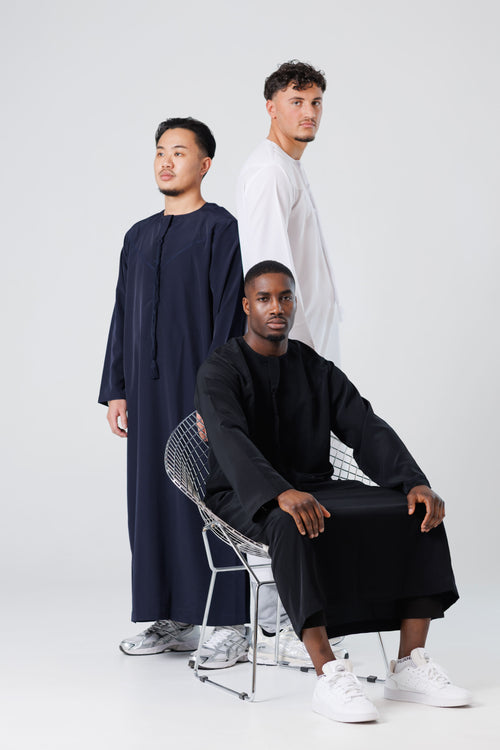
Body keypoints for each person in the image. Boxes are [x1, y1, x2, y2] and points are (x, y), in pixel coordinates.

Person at [194, 261, 470, 723]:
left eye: (285, 297)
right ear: (246, 306)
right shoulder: (220, 369)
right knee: (289, 522)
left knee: (413, 512)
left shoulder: (314, 367)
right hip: (241, 494)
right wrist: (278, 492)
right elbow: (228, 437)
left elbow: (364, 425)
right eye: (264, 298)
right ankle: (328, 674)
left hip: (316, 485)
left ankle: (409, 666)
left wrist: (413, 481)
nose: (276, 307)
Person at [99, 117, 249, 668]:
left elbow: (230, 317)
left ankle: (231, 623)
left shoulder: (220, 229)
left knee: (211, 501)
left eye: (179, 152)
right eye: (160, 151)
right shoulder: (138, 236)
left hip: (198, 391)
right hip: (145, 390)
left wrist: (215, 398)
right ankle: (173, 617)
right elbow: (123, 314)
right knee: (152, 502)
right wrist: (117, 387)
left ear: (204, 165)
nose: (166, 161)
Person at [236, 60, 340, 662]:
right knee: (281, 487)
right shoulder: (269, 172)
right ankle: (278, 629)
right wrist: (281, 366)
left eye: (316, 102)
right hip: (286, 363)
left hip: (303, 359)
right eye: (297, 101)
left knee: (301, 481)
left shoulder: (289, 169)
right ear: (272, 107)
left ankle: (288, 625)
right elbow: (268, 273)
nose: (309, 112)